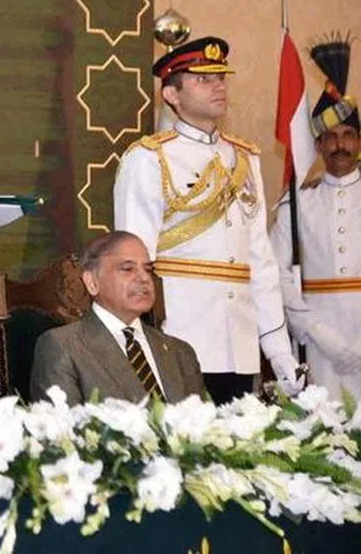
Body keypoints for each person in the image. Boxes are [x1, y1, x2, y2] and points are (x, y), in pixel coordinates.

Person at [114, 36, 300, 405]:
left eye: (221, 77)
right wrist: (143, 345)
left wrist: (279, 352)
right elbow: (132, 260)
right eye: (203, 78)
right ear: (172, 94)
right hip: (179, 337)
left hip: (241, 341)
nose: (218, 85)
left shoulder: (247, 160)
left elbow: (260, 262)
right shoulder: (149, 158)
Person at [270, 36, 361, 400]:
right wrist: (319, 333)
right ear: (318, 145)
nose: (340, 144)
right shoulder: (297, 203)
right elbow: (276, 273)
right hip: (317, 338)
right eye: (330, 137)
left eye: (348, 135)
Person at [30, 231, 206, 404]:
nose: (144, 278)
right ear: (92, 282)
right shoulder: (63, 346)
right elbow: (63, 431)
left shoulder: (179, 352)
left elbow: (203, 428)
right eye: (127, 269)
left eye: (148, 269)